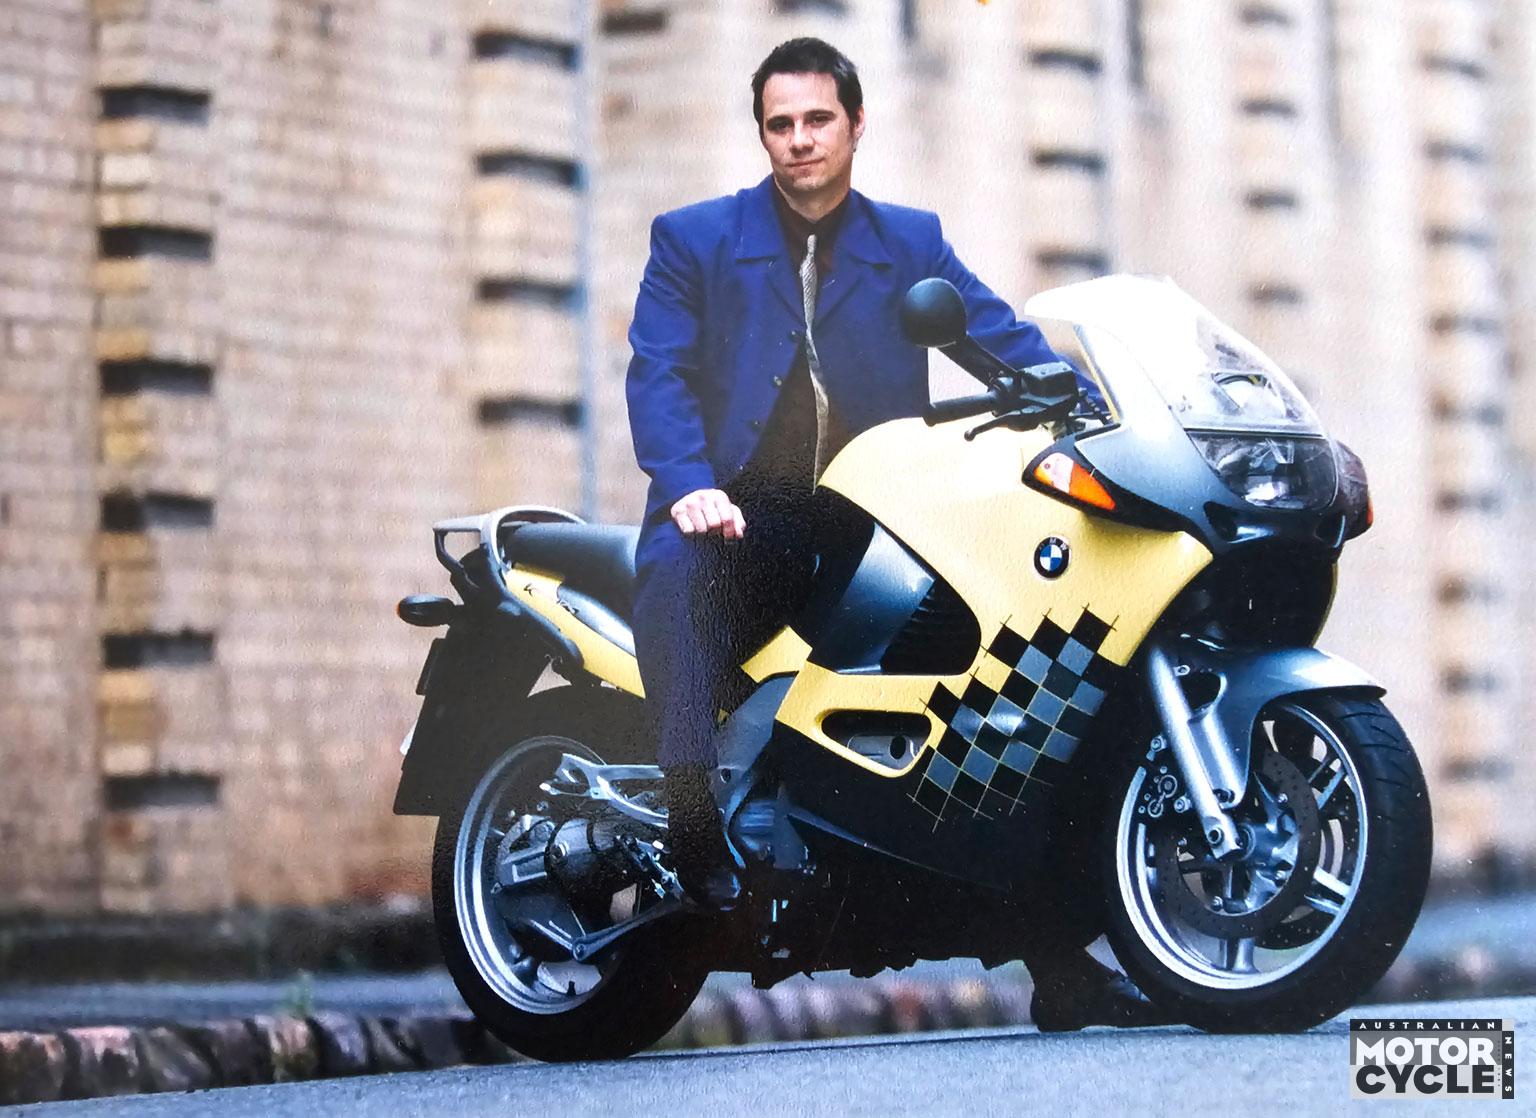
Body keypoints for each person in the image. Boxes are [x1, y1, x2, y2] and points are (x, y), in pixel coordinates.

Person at [625, 37, 1163, 1030]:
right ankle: (689, 810)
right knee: (691, 575)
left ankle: (1061, 960)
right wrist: (690, 484)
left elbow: (998, 336)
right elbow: (658, 374)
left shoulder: (909, 244)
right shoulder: (695, 240)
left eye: (817, 120)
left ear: (856, 124)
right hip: (736, 516)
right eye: (780, 124)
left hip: (868, 521)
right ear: (762, 135)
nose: (799, 141)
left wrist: (1095, 413)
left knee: (1001, 686)